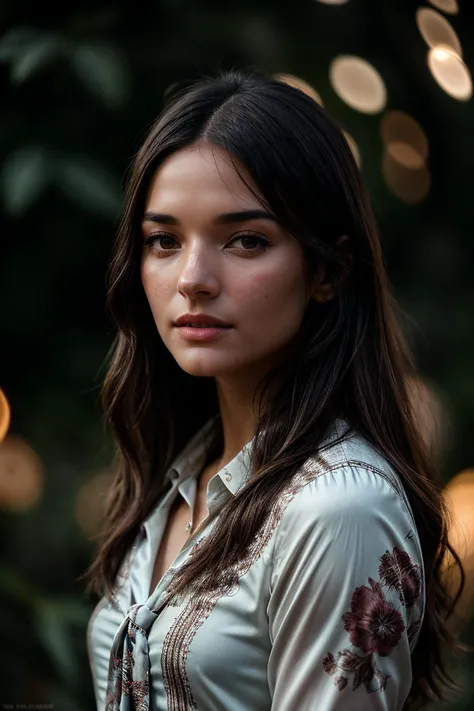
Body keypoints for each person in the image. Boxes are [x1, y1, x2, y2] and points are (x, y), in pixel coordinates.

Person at [82, 69, 464, 710]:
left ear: (327, 270)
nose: (193, 279)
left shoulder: (339, 510)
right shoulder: (178, 479)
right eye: (164, 240)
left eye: (246, 241)